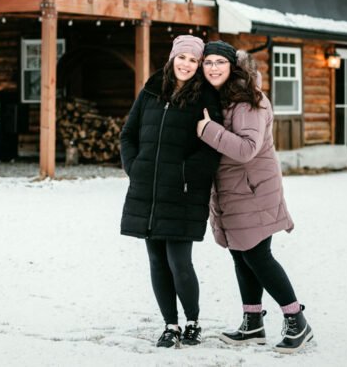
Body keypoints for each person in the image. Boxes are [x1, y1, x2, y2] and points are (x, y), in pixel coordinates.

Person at [196, 41, 314, 354]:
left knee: (258, 255)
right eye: (208, 63)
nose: (214, 68)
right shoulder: (224, 98)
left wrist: (208, 130)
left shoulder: (248, 100)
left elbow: (247, 149)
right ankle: (253, 322)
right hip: (233, 190)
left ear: (232, 66)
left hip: (252, 189)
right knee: (241, 253)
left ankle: (297, 321)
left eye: (220, 62)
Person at [119, 35, 224, 349]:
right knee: (156, 261)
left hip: (183, 192)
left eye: (193, 60)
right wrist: (134, 168)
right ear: (172, 59)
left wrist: (183, 175)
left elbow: (211, 149)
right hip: (148, 190)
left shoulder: (205, 97)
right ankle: (170, 324)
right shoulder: (151, 90)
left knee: (180, 261)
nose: (186, 65)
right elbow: (129, 134)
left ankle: (192, 321)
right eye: (182, 58)